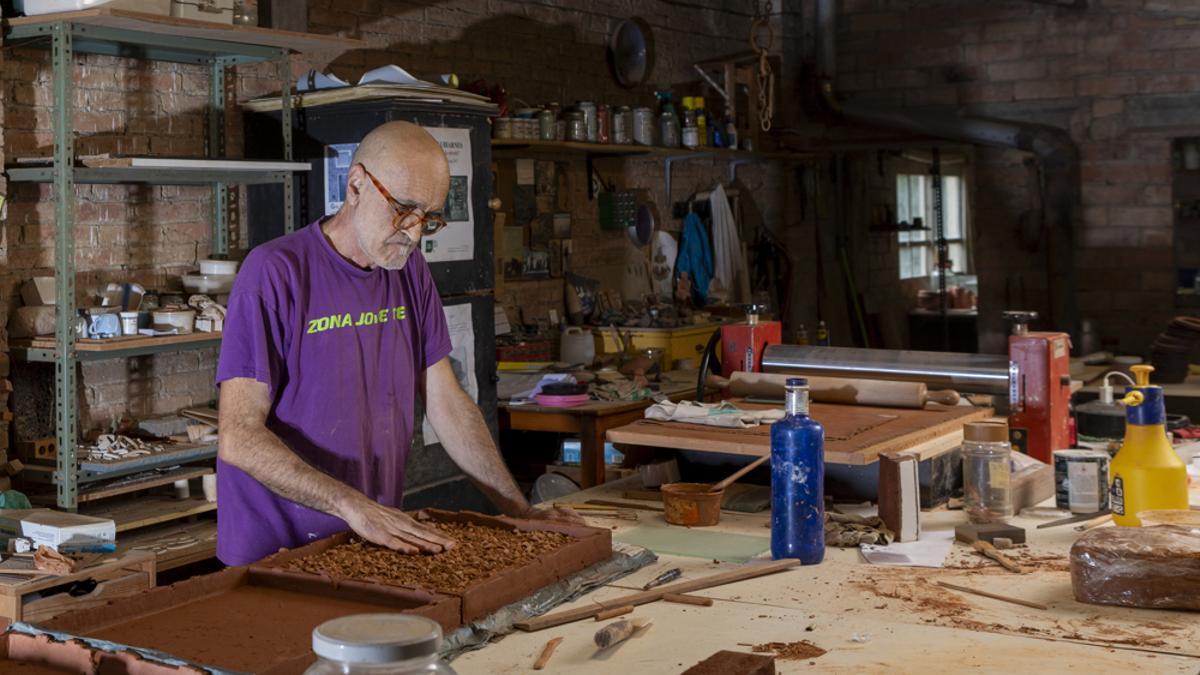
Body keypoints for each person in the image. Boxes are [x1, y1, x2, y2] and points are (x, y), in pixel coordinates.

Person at [215, 121, 579, 565]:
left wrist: (521, 511)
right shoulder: (275, 272)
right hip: (276, 551)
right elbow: (238, 436)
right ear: (356, 185)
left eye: (429, 217)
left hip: (367, 540)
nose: (415, 233)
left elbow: (447, 404)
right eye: (404, 209)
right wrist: (352, 505)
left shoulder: (409, 271)